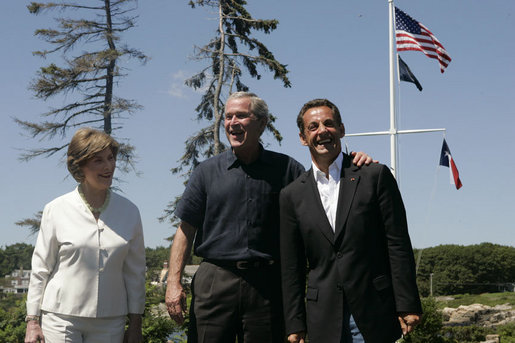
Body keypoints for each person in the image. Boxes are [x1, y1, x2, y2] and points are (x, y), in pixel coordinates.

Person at [165, 92, 373, 343]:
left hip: (268, 285)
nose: (232, 122)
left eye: (241, 115)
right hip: (214, 281)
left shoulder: (288, 170)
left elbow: (328, 188)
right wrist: (173, 283)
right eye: (228, 117)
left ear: (262, 123)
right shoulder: (206, 172)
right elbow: (185, 229)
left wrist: (354, 164)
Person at [279, 99, 422, 343]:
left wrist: (407, 303)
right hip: (322, 317)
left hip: (374, 311)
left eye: (329, 124)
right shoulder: (291, 195)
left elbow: (397, 244)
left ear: (341, 130)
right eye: (313, 127)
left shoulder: (375, 176)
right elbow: (291, 267)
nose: (322, 131)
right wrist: (294, 322)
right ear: (303, 138)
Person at [24, 128, 146, 343]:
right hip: (61, 319)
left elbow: (135, 273)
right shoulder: (56, 209)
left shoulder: (130, 211)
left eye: (110, 158)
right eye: (98, 160)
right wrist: (32, 320)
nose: (108, 166)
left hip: (111, 320)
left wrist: (136, 324)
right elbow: (41, 267)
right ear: (79, 166)